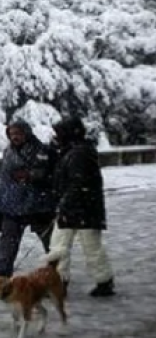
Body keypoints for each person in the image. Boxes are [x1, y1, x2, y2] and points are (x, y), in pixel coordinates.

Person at [47, 116, 115, 297]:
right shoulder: (73, 151)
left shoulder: (78, 153)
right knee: (64, 246)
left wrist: (65, 203)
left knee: (74, 246)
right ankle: (100, 281)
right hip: (82, 208)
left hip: (81, 209)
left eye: (59, 133)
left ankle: (99, 282)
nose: (55, 136)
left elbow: (78, 183)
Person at [0, 120, 57, 277]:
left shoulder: (42, 151)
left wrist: (31, 175)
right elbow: (5, 179)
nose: (15, 137)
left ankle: (57, 272)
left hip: (38, 204)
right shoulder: (8, 152)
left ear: (26, 133)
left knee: (50, 241)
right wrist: (1, 200)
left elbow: (49, 174)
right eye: (12, 134)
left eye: (18, 133)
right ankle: (2, 272)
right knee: (8, 240)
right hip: (12, 204)